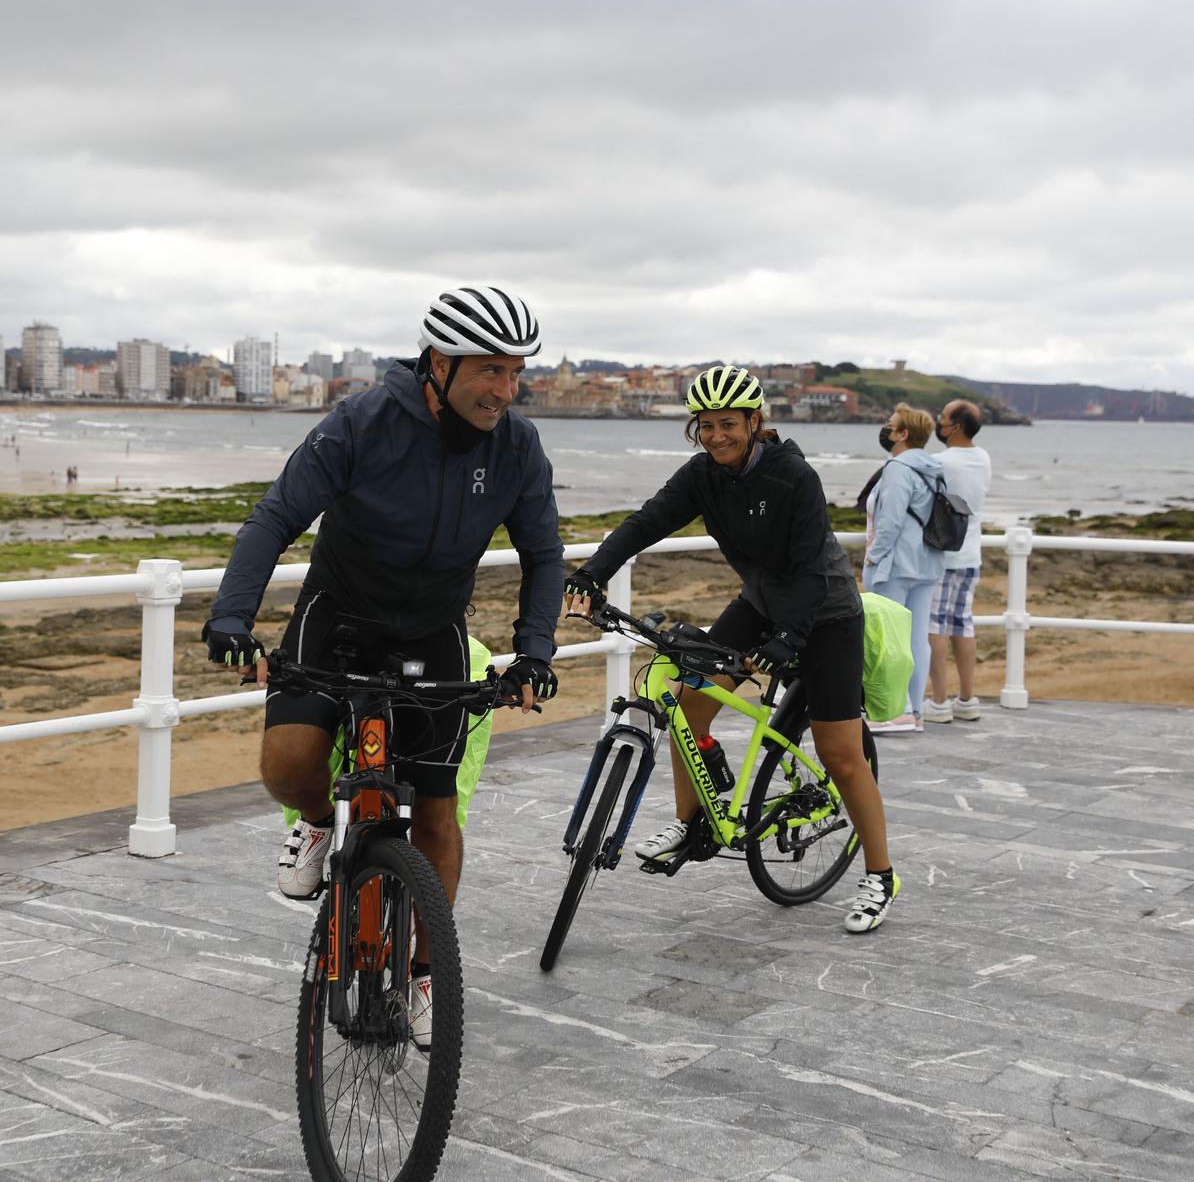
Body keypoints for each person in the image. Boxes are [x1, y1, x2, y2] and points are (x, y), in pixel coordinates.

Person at [203, 286, 564, 1046]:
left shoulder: (517, 447)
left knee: (434, 814)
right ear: (440, 362)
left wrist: (535, 649)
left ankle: (425, 973)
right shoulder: (362, 422)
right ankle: (310, 823)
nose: (505, 389)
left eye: (515, 372)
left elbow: (542, 552)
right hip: (337, 616)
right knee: (290, 759)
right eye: (489, 371)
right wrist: (233, 616)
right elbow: (276, 516)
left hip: (432, 631)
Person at [564, 366, 900, 935]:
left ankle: (880, 875)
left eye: (728, 424)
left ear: (753, 421)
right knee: (687, 704)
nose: (717, 435)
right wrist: (592, 572)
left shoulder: (794, 476)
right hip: (760, 605)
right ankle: (691, 822)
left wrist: (788, 638)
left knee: (841, 754)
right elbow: (648, 522)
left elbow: (814, 570)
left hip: (826, 615)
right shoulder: (703, 475)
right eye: (706, 425)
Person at [861, 402, 944, 733]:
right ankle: (915, 710)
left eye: (890, 425)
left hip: (894, 564)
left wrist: (874, 555)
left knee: (886, 640)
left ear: (903, 434)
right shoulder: (932, 468)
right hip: (927, 562)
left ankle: (896, 712)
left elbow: (891, 520)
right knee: (915, 638)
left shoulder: (897, 468)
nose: (886, 428)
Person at [924, 400, 991, 723]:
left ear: (956, 427)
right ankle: (967, 698)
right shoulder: (984, 458)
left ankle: (939, 701)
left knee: (934, 627)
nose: (939, 422)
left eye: (943, 418)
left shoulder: (939, 462)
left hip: (943, 554)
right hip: (971, 553)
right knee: (962, 625)